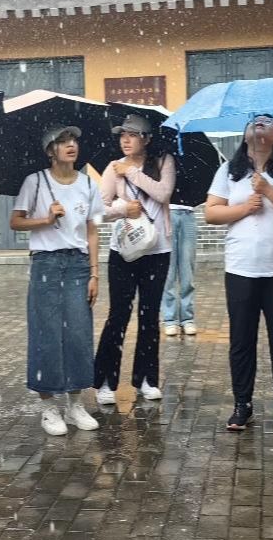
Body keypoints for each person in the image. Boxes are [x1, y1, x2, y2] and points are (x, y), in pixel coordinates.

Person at [204, 115, 273, 431]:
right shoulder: (229, 170)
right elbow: (211, 212)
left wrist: (268, 190)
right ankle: (242, 405)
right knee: (241, 341)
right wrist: (244, 208)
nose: (260, 124)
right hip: (240, 270)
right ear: (245, 135)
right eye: (255, 121)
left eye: (268, 121)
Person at [10, 126, 103, 436]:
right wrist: (46, 220)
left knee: (78, 332)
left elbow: (92, 229)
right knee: (46, 333)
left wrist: (94, 273)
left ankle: (75, 404)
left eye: (73, 140)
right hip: (46, 263)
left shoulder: (88, 183)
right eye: (62, 142)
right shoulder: (35, 181)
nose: (70, 145)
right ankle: (49, 407)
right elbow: (15, 221)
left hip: (78, 264)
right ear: (50, 150)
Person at [93, 113, 176, 404]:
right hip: (124, 252)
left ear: (147, 139)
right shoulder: (112, 167)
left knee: (149, 316)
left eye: (132, 135)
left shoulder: (163, 162)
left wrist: (131, 173)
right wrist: (122, 209)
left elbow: (163, 193)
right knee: (118, 315)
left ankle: (146, 379)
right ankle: (105, 381)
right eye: (122, 135)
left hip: (158, 251)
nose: (125, 140)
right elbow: (98, 211)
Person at [161, 203, 198, 337]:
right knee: (168, 271)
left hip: (188, 213)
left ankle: (187, 319)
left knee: (187, 269)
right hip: (167, 212)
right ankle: (169, 319)